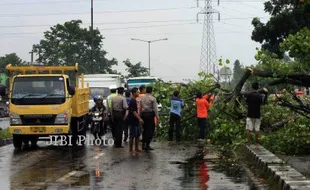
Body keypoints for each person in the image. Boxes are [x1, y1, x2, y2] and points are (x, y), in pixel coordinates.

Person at [139, 86, 159, 152]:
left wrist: (140, 116)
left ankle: (143, 145)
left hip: (143, 115)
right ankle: (147, 145)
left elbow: (140, 108)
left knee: (144, 129)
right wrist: (157, 117)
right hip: (150, 115)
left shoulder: (142, 98)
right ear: (151, 91)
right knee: (150, 130)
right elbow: (155, 109)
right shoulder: (153, 98)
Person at [128, 87, 144, 152]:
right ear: (134, 93)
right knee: (132, 135)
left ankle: (136, 148)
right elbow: (133, 111)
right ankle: (131, 149)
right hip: (133, 120)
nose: (138, 93)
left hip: (136, 120)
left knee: (137, 135)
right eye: (137, 92)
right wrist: (139, 118)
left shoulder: (135, 100)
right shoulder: (132, 101)